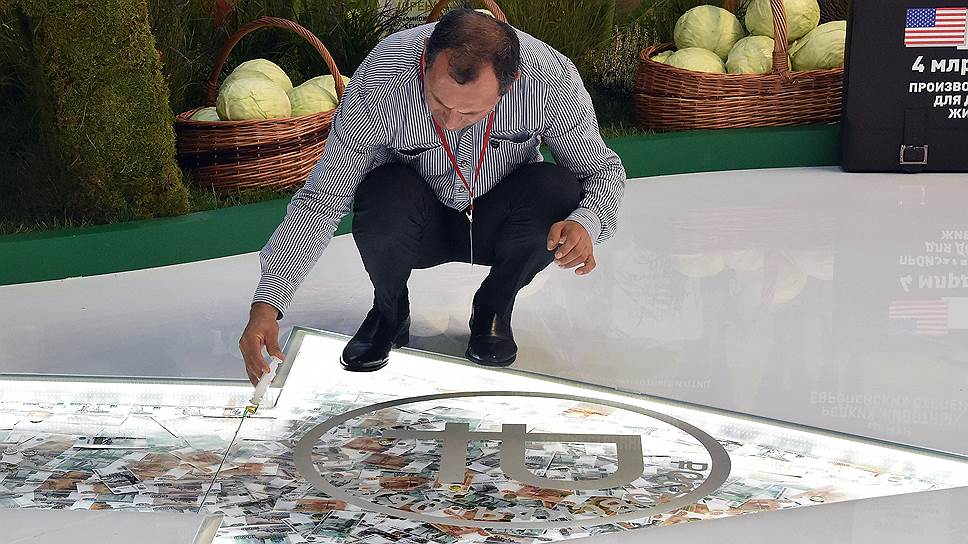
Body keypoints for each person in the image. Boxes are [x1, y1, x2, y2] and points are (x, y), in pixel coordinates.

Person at [239, 9, 626, 385]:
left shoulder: (548, 79)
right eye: (439, 103)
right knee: (381, 187)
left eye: (470, 113)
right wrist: (267, 305)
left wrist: (586, 222)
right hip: (417, 223)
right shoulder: (380, 80)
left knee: (558, 188)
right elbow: (323, 197)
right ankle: (389, 311)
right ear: (425, 60)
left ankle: (494, 306)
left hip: (501, 223)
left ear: (509, 86)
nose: (452, 122)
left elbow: (602, 172)